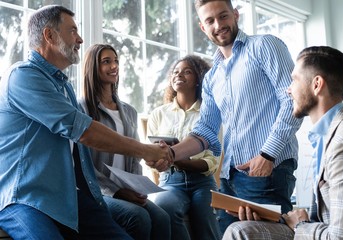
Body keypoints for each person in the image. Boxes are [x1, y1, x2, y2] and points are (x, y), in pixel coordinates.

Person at [0, 5, 171, 240]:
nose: (80, 39)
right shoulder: (22, 76)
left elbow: (80, 156)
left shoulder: (64, 88)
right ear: (49, 35)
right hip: (23, 197)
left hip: (64, 196)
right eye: (72, 31)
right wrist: (146, 150)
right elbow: (85, 132)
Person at [146, 0, 302, 234]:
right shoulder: (212, 77)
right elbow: (206, 130)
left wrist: (267, 154)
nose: (218, 25)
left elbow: (292, 101)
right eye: (210, 20)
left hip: (267, 171)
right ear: (202, 27)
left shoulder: (264, 46)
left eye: (223, 16)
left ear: (235, 15)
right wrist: (170, 154)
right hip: (229, 180)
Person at [223, 46, 343, 239]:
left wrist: (301, 225)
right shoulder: (325, 136)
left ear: (317, 84)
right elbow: (322, 218)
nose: (288, 90)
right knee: (242, 230)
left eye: (294, 80)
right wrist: (271, 217)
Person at [79, 43, 170, 240]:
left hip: (127, 190)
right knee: (138, 217)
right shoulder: (81, 108)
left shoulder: (128, 111)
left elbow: (135, 156)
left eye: (116, 61)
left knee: (163, 217)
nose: (114, 66)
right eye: (106, 61)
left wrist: (137, 189)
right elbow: (81, 163)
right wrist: (117, 192)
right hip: (99, 192)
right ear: (93, 67)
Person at [147, 55, 222, 240]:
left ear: (199, 79)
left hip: (203, 183)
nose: (179, 75)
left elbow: (211, 163)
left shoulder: (210, 114)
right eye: (175, 71)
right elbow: (151, 157)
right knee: (165, 208)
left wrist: (177, 158)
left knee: (206, 220)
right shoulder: (158, 114)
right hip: (170, 182)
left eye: (187, 71)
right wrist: (156, 161)